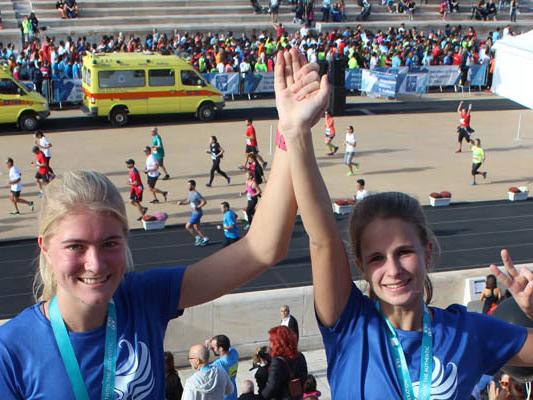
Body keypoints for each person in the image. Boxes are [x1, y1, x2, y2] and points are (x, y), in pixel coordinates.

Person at [0, 53, 318, 396]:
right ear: (45, 247)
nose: (95, 263)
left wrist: (291, 131)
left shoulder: (142, 298)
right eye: (76, 246)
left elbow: (264, 248)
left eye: (109, 243)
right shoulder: (12, 351)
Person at [272, 48, 533, 399]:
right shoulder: (350, 324)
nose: (392, 269)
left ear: (427, 251)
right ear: (361, 266)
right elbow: (322, 239)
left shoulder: (469, 333)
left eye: (404, 251)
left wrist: (530, 311)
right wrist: (296, 131)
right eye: (377, 257)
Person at [261, 326, 308, 400]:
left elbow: (272, 386)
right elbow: (304, 378)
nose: (270, 344)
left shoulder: (277, 362)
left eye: (271, 341)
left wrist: (261, 398)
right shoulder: (300, 356)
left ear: (277, 343)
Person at [178, 179, 209, 246]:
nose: (188, 186)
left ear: (193, 186)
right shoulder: (190, 193)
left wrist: (198, 206)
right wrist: (181, 203)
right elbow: (188, 201)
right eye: (187, 185)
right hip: (194, 213)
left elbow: (204, 202)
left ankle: (198, 238)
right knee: (197, 228)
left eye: (189, 185)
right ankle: (205, 238)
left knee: (188, 226)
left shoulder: (196, 194)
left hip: (197, 213)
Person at [209, 334, 240, 400]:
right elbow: (228, 346)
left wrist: (206, 349)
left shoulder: (218, 364)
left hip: (223, 396)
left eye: (213, 347)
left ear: (220, 348)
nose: (212, 349)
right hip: (233, 392)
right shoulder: (234, 353)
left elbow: (202, 369)